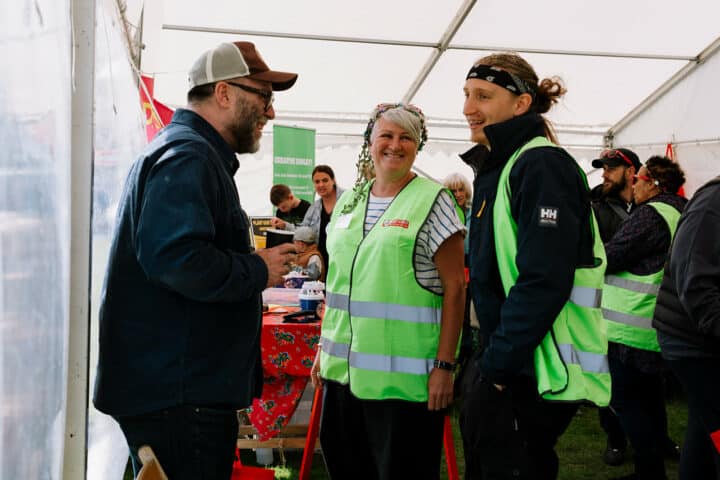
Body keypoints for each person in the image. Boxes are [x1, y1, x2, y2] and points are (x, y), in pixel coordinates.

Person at [92, 41, 299, 480]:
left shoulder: (186, 151)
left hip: (174, 389)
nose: (270, 112)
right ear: (224, 94)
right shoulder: (190, 156)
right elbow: (177, 259)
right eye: (264, 98)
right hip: (180, 395)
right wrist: (258, 269)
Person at [458, 53, 610, 480]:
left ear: (521, 104)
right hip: (506, 357)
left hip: (534, 366)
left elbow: (544, 279)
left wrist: (497, 370)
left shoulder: (540, 164)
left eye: (483, 96)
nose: (469, 107)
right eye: (467, 95)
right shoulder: (500, 165)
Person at [310, 103, 466, 480]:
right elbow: (339, 283)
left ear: (417, 146)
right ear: (370, 141)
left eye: (406, 138)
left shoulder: (434, 200)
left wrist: (445, 367)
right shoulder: (349, 200)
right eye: (386, 135)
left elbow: (456, 287)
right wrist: (322, 348)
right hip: (341, 377)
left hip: (404, 385)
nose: (395, 145)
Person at [601, 155, 686, 480]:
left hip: (628, 328)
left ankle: (649, 470)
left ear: (653, 183)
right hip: (657, 325)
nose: (633, 184)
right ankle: (656, 456)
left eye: (639, 179)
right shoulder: (680, 209)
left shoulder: (650, 215)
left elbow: (611, 256)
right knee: (650, 398)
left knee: (626, 400)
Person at [653, 175, 720, 480]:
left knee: (704, 424)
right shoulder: (712, 204)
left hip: (703, 335)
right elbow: (694, 282)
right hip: (689, 341)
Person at [590, 147, 642, 466]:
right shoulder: (593, 205)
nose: (605, 173)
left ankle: (653, 436)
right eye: (603, 167)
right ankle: (615, 439)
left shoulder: (648, 203)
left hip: (640, 308)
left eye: (611, 167)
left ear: (631, 170)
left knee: (643, 378)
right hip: (604, 304)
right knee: (607, 374)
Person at [277, 165, 344, 269]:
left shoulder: (348, 199)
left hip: (343, 260)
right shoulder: (314, 208)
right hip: (322, 262)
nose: (321, 185)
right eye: (317, 182)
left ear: (333, 180)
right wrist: (285, 225)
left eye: (325, 180)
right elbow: (303, 232)